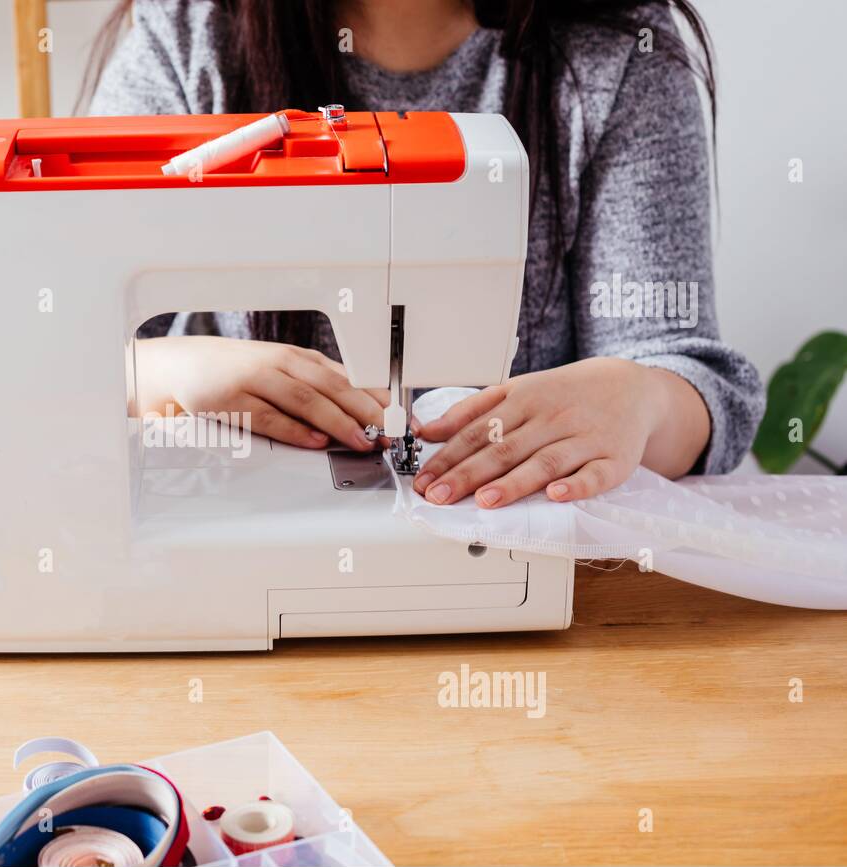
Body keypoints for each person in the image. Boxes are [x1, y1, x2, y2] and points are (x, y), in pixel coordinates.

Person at [86, 0, 764, 507]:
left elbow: (691, 381)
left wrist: (640, 402)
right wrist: (151, 374)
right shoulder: (188, 34)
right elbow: (46, 345)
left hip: (548, 573)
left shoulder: (619, 50)